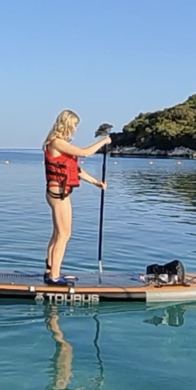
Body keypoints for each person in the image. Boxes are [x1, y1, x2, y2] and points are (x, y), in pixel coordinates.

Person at [43, 109, 111, 284]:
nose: (75, 129)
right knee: (65, 234)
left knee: (58, 233)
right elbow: (85, 153)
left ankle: (50, 269)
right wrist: (103, 141)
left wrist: (97, 182)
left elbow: (76, 171)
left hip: (58, 192)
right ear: (66, 124)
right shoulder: (57, 142)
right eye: (74, 125)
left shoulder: (61, 145)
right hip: (58, 193)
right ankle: (54, 276)